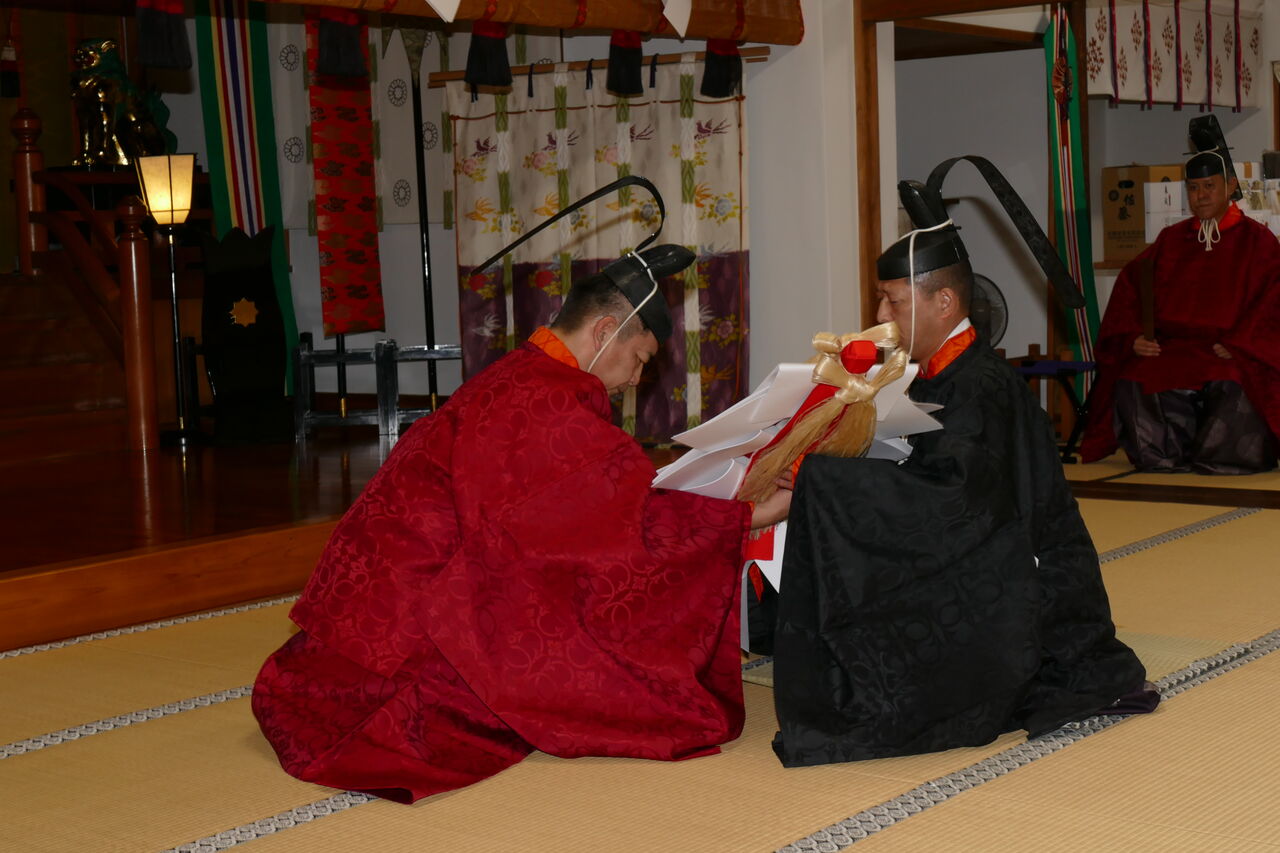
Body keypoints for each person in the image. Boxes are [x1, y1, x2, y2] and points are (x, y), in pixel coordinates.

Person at [252, 243, 792, 803]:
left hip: (372, 611)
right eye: (639, 359)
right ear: (606, 331)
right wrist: (744, 518)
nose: (636, 379)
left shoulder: (526, 376)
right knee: (620, 690)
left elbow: (592, 504)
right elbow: (615, 534)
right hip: (420, 626)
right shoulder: (549, 401)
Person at [770, 171, 1155, 768]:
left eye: (894, 299)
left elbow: (950, 501)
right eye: (881, 297)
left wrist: (824, 479)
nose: (879, 313)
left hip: (1023, 587)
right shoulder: (943, 375)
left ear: (943, 301)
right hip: (983, 553)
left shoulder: (979, 387)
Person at [1081, 122, 1280, 472]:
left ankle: (1217, 459)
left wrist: (1241, 343)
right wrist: (1134, 338)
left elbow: (1272, 301)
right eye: (1193, 188)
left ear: (1230, 187)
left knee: (1236, 378)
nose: (1201, 195)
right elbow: (1132, 287)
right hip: (1175, 347)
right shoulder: (1171, 240)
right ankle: (1164, 458)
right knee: (1137, 375)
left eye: (1209, 187)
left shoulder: (1258, 241)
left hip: (1229, 348)